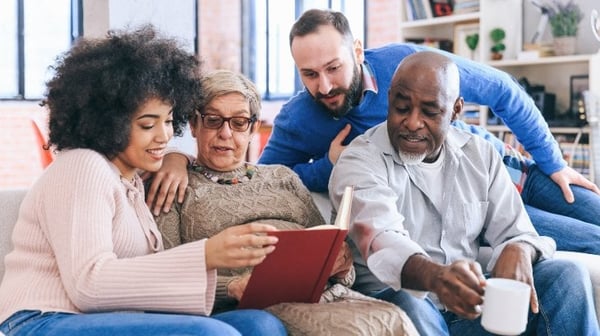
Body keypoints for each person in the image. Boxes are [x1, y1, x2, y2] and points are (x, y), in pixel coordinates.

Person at [0, 26, 287, 336]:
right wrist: (206, 255)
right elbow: (88, 284)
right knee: (215, 335)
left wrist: (178, 158)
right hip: (41, 320)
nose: (164, 135)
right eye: (148, 124)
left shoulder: (133, 182)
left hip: (103, 318)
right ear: (107, 123)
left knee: (261, 325)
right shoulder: (83, 166)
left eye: (167, 120)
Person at [253, 8, 600, 254]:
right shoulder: (298, 118)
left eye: (333, 68)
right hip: (475, 205)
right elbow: (266, 181)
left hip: (506, 166)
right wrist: (330, 165)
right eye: (309, 74)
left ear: (356, 51)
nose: (325, 86)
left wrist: (554, 164)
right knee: (592, 240)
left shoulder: (404, 64)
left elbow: (502, 90)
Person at [329, 50, 599, 335]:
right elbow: (383, 241)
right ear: (389, 100)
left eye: (430, 112)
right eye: (402, 107)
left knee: (567, 276)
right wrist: (436, 278)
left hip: (470, 312)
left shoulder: (479, 155)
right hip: (395, 304)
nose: (412, 122)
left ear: (456, 110)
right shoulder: (361, 160)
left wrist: (521, 248)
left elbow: (518, 230)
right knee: (410, 300)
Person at [152, 69, 419, 335]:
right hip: (254, 307)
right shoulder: (175, 185)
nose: (226, 133)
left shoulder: (283, 177)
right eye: (213, 121)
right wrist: (232, 286)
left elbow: (329, 250)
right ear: (194, 125)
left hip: (329, 295)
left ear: (253, 128)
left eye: (239, 122)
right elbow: (167, 277)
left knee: (398, 320)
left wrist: (342, 263)